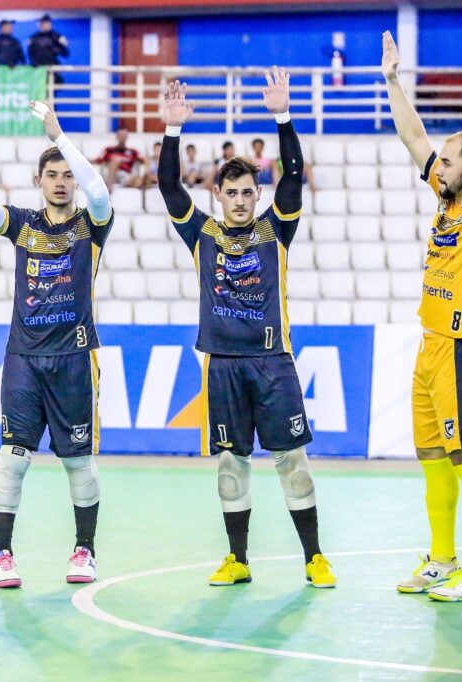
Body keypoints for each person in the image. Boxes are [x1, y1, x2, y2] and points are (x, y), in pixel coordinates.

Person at [158, 73, 337, 589]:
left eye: (247, 192)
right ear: (216, 195)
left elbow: (295, 174)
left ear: (258, 195)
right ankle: (237, 559)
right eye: (231, 192)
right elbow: (169, 186)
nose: (240, 200)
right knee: (231, 466)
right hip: (221, 365)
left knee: (292, 462)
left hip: (273, 363)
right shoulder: (201, 234)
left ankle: (314, 558)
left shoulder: (276, 229)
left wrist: (284, 118)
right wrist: (171, 131)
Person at [382, 32, 462, 602]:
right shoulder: (444, 193)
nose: (439, 163)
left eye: (448, 158)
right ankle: (441, 559)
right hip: (429, 345)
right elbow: (413, 134)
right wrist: (391, 80)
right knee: (431, 455)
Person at [0, 98, 113, 588]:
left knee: (77, 462)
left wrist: (60, 139)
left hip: (75, 357)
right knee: (13, 458)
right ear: (39, 182)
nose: (61, 181)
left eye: (67, 174)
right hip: (24, 359)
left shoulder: (91, 224)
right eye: (52, 174)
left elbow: (102, 191)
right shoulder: (24, 225)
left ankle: (84, 550)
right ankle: (0, 555)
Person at [28, 14, 69, 82]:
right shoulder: (34, 37)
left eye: (47, 23)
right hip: (38, 70)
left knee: (52, 88)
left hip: (52, 69)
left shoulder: (57, 36)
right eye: (43, 23)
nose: (45, 25)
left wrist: (54, 49)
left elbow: (66, 53)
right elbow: (30, 53)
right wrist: (34, 64)